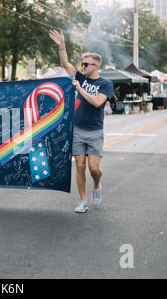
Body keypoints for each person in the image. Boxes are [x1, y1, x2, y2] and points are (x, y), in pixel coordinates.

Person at [49, 29, 114, 213]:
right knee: (79, 164)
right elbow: (65, 63)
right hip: (77, 129)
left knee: (94, 169)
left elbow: (96, 102)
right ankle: (83, 201)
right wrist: (62, 46)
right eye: (82, 64)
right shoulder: (80, 77)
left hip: (94, 131)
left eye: (86, 64)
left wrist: (80, 89)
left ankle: (97, 185)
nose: (83, 67)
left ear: (96, 66)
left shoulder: (105, 84)